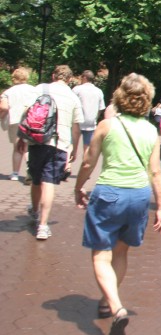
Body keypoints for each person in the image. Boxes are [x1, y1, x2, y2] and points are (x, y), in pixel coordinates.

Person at [73, 73, 161, 335]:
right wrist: (160, 206)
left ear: (120, 97)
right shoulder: (152, 131)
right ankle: (105, 301)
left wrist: (78, 186)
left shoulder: (106, 126)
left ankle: (116, 308)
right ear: (147, 100)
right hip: (139, 196)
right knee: (121, 252)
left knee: (101, 255)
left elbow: (89, 162)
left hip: (109, 194)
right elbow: (156, 172)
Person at [27, 65, 84, 240]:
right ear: (69, 79)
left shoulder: (40, 89)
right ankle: (43, 226)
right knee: (49, 181)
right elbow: (77, 127)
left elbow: (27, 113)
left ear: (53, 76)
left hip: (37, 140)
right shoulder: (73, 97)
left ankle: (35, 211)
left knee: (36, 179)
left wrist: (23, 139)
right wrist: (74, 148)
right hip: (60, 143)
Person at [0, 67, 38, 181]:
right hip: (31, 121)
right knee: (27, 147)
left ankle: (15, 174)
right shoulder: (34, 90)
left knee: (17, 148)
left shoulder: (9, 92)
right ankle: (30, 170)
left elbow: (4, 107)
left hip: (15, 121)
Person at [72, 70, 106, 160]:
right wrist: (95, 117)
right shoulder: (99, 91)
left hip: (77, 122)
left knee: (72, 146)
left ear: (84, 77)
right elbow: (101, 108)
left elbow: (71, 104)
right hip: (91, 123)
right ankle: (84, 166)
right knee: (87, 148)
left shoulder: (77, 89)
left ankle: (68, 166)